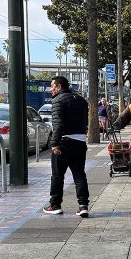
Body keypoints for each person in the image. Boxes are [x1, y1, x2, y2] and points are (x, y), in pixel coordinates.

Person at [43, 75, 90, 217]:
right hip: (80, 142)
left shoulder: (58, 100)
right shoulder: (81, 100)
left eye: (52, 86)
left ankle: (55, 205)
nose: (51, 89)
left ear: (58, 86)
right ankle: (83, 206)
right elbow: (84, 121)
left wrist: (54, 143)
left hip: (64, 143)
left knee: (57, 175)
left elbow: (58, 125)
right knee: (79, 174)